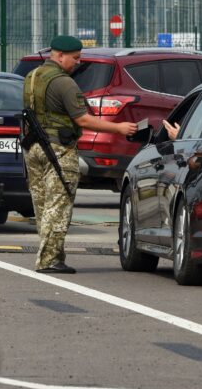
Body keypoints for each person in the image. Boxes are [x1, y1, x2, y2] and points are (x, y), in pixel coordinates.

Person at [23, 35, 137, 273]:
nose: (78, 62)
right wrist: (119, 128)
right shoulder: (64, 82)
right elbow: (82, 119)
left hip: (33, 148)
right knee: (59, 204)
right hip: (57, 150)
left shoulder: (32, 77)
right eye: (75, 58)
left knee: (43, 206)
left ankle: (53, 255)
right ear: (60, 56)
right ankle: (49, 261)